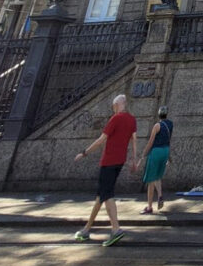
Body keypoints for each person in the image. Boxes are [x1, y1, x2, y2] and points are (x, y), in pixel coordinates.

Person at [73, 94, 138, 246]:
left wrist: (84, 153)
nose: (113, 108)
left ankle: (116, 229)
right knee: (101, 196)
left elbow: (102, 140)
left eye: (113, 106)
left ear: (116, 105)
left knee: (107, 194)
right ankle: (86, 229)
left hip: (108, 161)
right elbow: (134, 140)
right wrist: (134, 160)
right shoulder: (132, 119)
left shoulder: (115, 119)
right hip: (120, 161)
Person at [139, 105, 173, 213]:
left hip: (156, 152)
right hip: (165, 151)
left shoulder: (157, 126)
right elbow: (168, 139)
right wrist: (169, 156)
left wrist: (143, 154)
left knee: (150, 180)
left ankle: (149, 207)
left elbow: (150, 142)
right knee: (158, 176)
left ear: (158, 114)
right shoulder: (170, 124)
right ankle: (160, 196)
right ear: (166, 114)